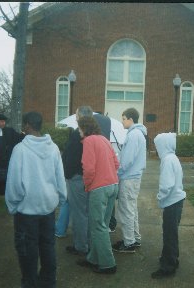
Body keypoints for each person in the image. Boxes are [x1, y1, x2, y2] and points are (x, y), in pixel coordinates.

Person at [5, 111, 67, 288]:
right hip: (47, 207)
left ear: (27, 126)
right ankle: (48, 283)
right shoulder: (53, 147)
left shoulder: (20, 150)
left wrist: (13, 205)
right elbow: (59, 177)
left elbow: (14, 183)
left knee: (27, 250)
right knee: (47, 246)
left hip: (27, 211)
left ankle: (30, 283)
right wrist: (61, 198)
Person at [62, 106, 112, 255]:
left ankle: (81, 246)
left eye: (76, 115)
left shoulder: (80, 135)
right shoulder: (96, 134)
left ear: (80, 117)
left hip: (78, 178)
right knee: (87, 213)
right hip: (89, 178)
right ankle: (87, 244)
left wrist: (68, 174)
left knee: (79, 214)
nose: (75, 117)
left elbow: (73, 158)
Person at [77, 116, 119, 274]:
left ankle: (108, 264)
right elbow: (116, 164)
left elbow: (88, 169)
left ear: (84, 128)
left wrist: (87, 185)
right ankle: (93, 259)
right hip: (113, 186)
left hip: (99, 188)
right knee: (102, 225)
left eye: (79, 127)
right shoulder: (104, 139)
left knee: (98, 227)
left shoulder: (89, 141)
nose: (78, 131)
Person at [151, 132, 186, 279]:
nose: (157, 149)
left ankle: (168, 267)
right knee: (172, 233)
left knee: (169, 234)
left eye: (158, 146)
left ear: (163, 145)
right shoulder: (173, 158)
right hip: (177, 200)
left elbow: (166, 185)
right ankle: (172, 258)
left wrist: (160, 198)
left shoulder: (167, 160)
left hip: (172, 202)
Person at [112, 107, 147, 253]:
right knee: (131, 209)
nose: (122, 121)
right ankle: (135, 238)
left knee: (125, 210)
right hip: (134, 178)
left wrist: (117, 173)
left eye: (124, 118)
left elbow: (127, 161)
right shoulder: (138, 134)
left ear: (131, 119)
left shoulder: (133, 135)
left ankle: (128, 243)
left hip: (128, 178)